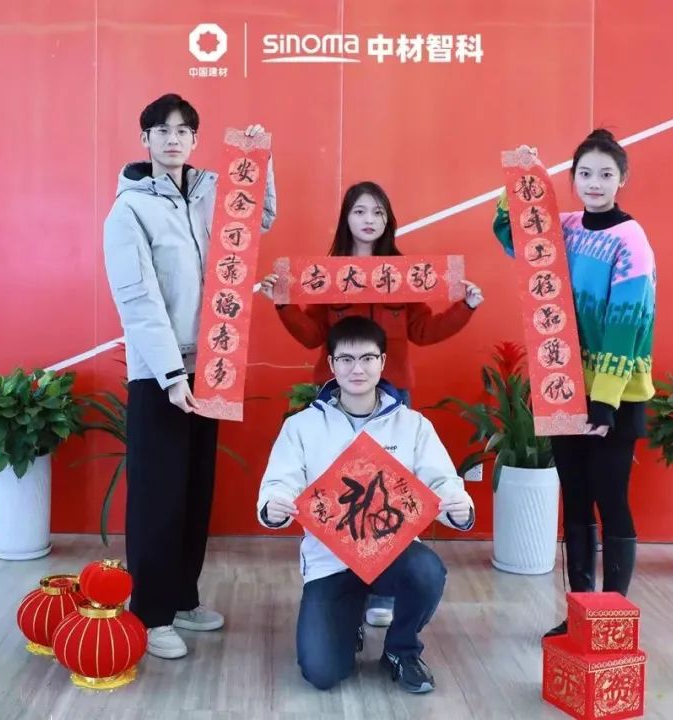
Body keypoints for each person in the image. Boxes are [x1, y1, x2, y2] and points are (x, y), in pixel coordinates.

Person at [258, 181, 483, 628]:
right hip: (336, 397)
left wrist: (466, 306)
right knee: (342, 493)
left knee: (386, 495)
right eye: (360, 211)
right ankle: (343, 587)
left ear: (388, 221)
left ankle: (382, 591)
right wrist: (283, 304)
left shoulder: (404, 273)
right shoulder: (327, 274)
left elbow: (423, 331)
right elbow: (312, 336)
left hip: (393, 397)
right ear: (346, 218)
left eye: (378, 212)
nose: (368, 220)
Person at [102, 93, 276, 659]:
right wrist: (172, 375)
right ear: (146, 139)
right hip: (161, 374)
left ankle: (181, 598)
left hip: (214, 366)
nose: (173, 138)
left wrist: (259, 160)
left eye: (183, 130)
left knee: (196, 490)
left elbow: (259, 219)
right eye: (162, 129)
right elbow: (139, 300)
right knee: (158, 496)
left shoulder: (211, 194)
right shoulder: (128, 211)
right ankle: (150, 614)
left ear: (196, 140)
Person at [492, 129, 655, 638]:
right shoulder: (563, 228)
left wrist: (604, 402)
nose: (594, 183)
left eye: (606, 174)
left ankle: (612, 620)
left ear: (622, 179)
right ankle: (580, 616)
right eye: (585, 173)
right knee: (577, 502)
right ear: (573, 178)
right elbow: (511, 234)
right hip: (563, 386)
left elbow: (627, 321)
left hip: (614, 396)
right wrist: (520, 178)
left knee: (611, 499)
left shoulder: (631, 239)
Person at [256, 316, 475, 693]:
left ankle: (401, 649)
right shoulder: (302, 426)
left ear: (383, 362)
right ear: (331, 364)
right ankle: (347, 620)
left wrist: (459, 506)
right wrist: (273, 506)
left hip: (393, 552)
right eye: (346, 359)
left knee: (426, 570)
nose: (357, 369)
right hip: (330, 562)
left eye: (367, 358)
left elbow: (443, 480)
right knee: (322, 672)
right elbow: (279, 482)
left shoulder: (412, 424)